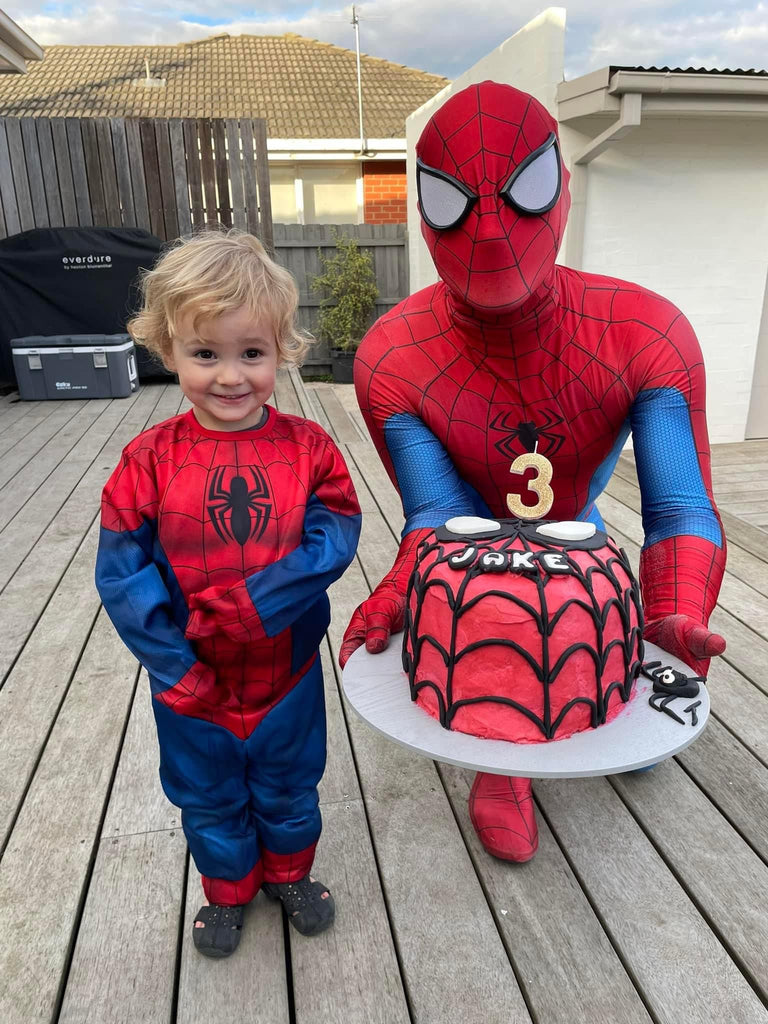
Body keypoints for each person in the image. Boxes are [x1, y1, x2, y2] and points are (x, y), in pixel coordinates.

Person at [339, 81, 726, 863]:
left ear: (562, 187)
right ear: (424, 210)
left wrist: (672, 612)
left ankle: (613, 674)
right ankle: (504, 758)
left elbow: (679, 507)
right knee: (501, 640)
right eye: (453, 202)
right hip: (474, 569)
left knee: (628, 711)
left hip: (582, 545)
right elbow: (437, 515)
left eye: (524, 191)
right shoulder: (393, 357)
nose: (489, 230)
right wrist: (402, 588)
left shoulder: (645, 332)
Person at [96, 230, 361, 958]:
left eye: (252, 353)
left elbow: (335, 534)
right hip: (192, 682)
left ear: (281, 351)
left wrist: (258, 603)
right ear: (168, 350)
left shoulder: (310, 450)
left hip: (287, 673)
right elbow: (121, 575)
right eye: (205, 354)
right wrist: (174, 668)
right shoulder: (148, 461)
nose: (231, 377)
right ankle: (228, 890)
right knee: (207, 794)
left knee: (290, 785)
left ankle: (289, 875)